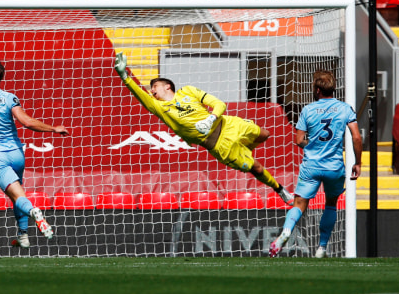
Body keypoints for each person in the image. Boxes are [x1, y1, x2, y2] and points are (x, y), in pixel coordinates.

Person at [113, 52, 294, 205]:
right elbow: (140, 94)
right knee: (257, 168)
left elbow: (218, 104)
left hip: (227, 124)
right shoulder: (159, 108)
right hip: (220, 146)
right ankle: (280, 189)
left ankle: (247, 147)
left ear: (167, 86)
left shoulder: (189, 91)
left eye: (154, 86)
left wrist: (211, 118)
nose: (151, 90)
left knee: (265, 134)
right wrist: (125, 77)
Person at [0, 58, 69, 248]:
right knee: (17, 194)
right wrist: (53, 128)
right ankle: (23, 235)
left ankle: (35, 212)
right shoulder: (9, 97)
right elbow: (26, 122)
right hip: (17, 154)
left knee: (19, 198)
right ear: (3, 76)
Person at [269, 70, 362, 258]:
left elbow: (298, 140)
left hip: (311, 165)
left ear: (318, 90)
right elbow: (357, 137)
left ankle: (285, 233)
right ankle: (322, 248)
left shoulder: (308, 110)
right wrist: (358, 162)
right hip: (334, 167)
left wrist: (311, 144)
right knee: (330, 205)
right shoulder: (345, 108)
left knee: (299, 204)